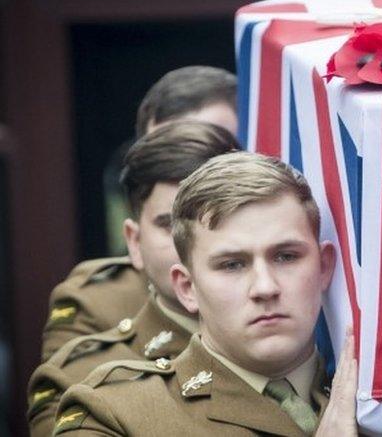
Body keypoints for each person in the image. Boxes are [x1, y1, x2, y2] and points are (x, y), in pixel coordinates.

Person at [53, 151, 357, 435]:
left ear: (324, 268)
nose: (265, 288)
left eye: (286, 257)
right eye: (232, 265)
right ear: (187, 288)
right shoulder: (115, 414)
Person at [27, 122, 239, 436]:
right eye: (171, 225)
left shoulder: (300, 344)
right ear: (134, 242)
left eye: (213, 220)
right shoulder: (89, 380)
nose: (193, 244)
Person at [42, 65, 238, 361]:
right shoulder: (99, 302)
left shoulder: (281, 280)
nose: (191, 169)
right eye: (166, 149)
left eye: (216, 153)